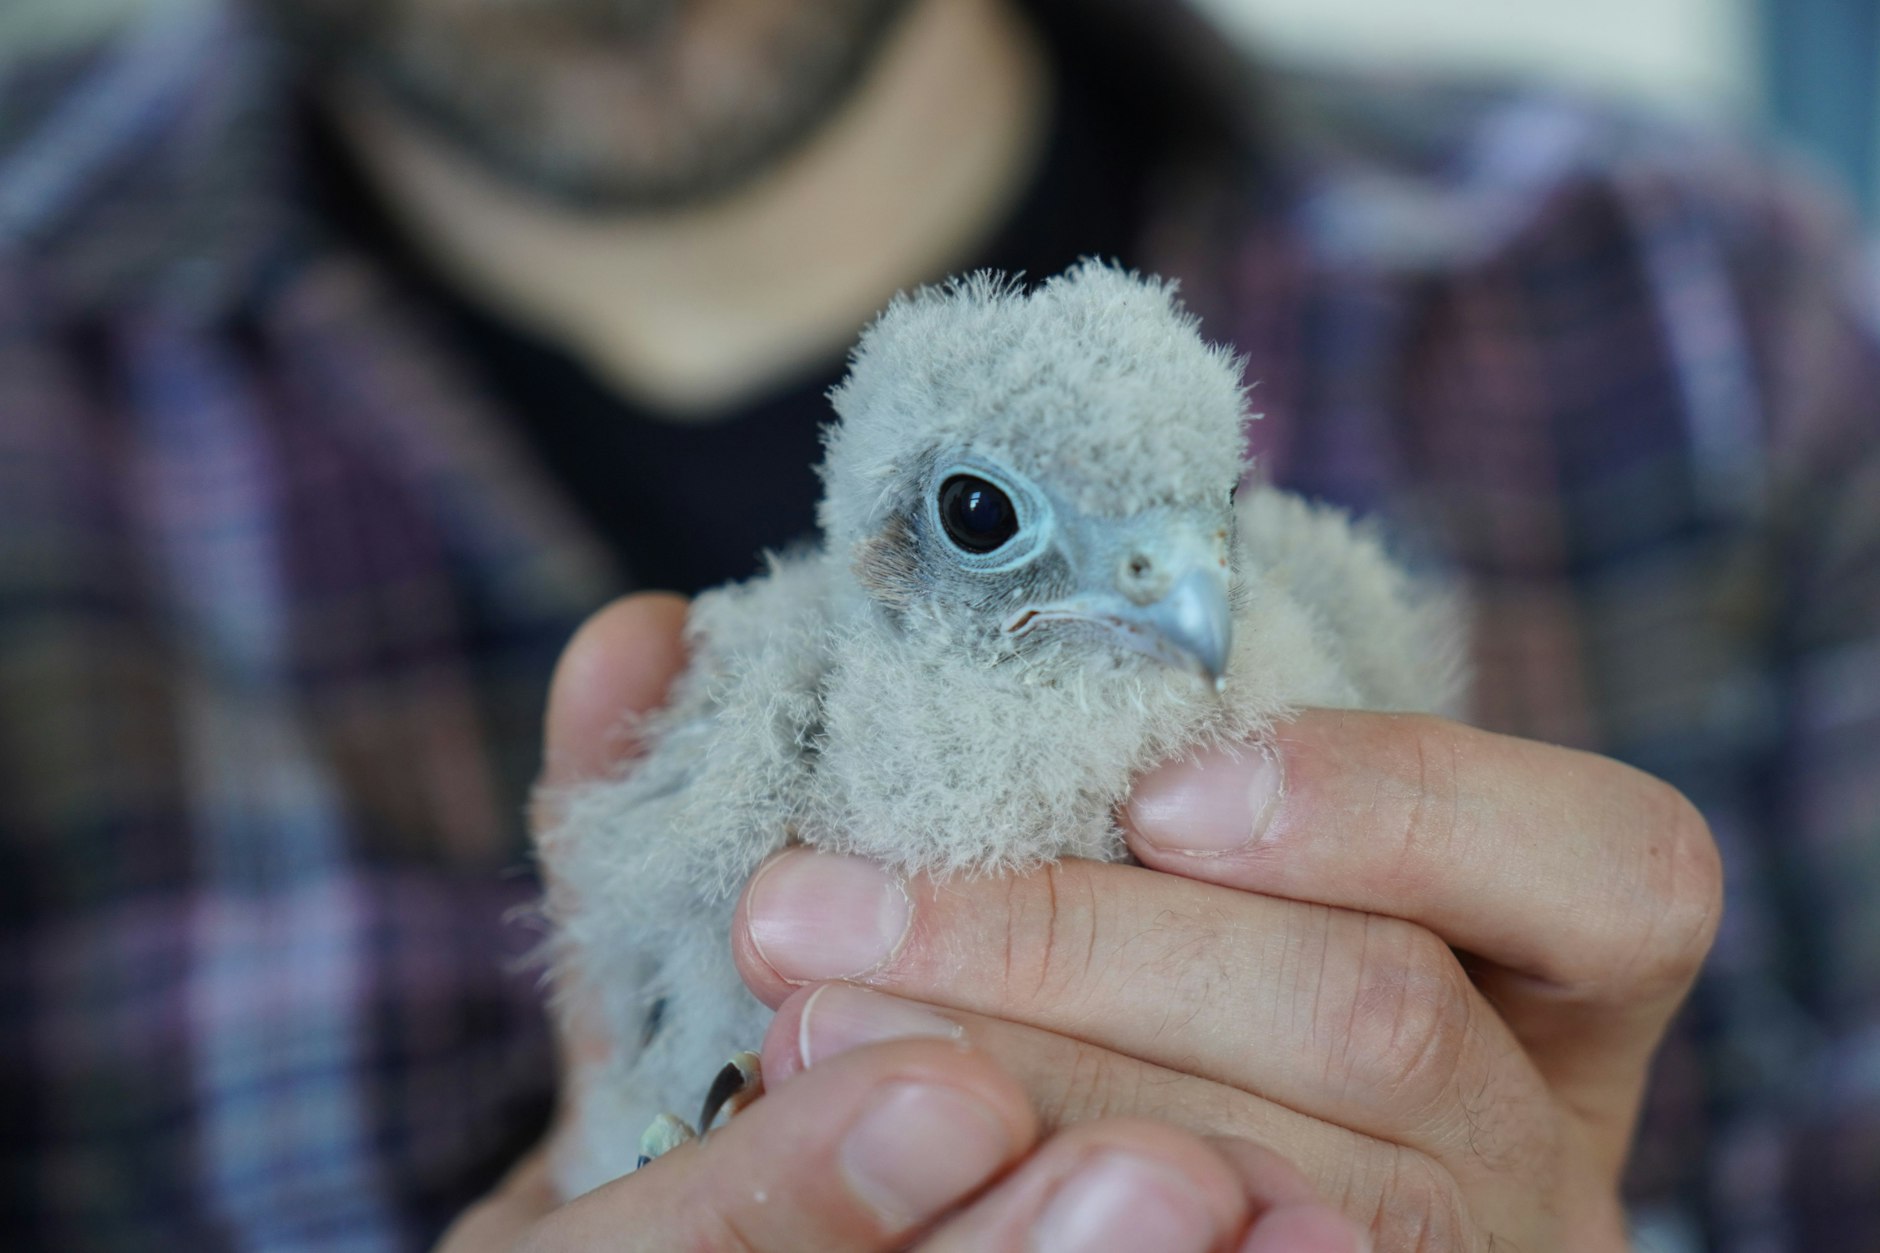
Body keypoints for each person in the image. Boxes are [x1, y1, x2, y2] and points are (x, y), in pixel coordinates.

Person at [1, 0, 1874, 1247]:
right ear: (891, 533)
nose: (1181, 592)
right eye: (992, 520)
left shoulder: (1711, 306)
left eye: (1192, 528)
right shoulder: (771, 685)